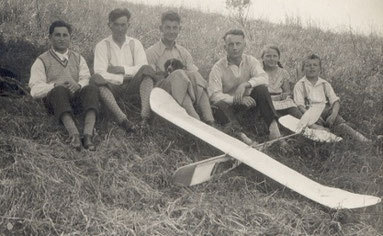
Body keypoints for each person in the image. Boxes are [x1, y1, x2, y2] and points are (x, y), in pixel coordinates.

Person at [29, 20, 99, 151]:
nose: (61, 39)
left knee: (92, 89)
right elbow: (34, 90)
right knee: (59, 90)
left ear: (70, 38)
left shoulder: (78, 58)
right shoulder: (41, 60)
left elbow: (86, 78)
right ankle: (74, 135)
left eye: (65, 35)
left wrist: (78, 85)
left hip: (76, 101)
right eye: (57, 35)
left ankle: (88, 135)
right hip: (56, 102)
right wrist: (54, 85)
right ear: (50, 37)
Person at [207, 29, 284, 144]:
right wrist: (237, 99)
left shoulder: (251, 61)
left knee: (261, 88)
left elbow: (264, 77)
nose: (235, 48)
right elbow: (214, 95)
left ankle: (274, 131)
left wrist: (245, 84)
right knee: (218, 104)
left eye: (238, 44)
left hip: (249, 108)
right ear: (225, 47)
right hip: (229, 110)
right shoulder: (218, 68)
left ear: (244, 45)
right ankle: (243, 137)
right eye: (231, 44)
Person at [145, 10, 215, 126]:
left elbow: (193, 76)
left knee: (195, 75)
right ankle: (195, 119)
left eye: (174, 28)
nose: (171, 31)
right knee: (179, 74)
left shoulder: (184, 52)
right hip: (162, 90)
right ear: (161, 28)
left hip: (184, 87)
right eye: (167, 27)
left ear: (179, 29)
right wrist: (172, 74)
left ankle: (210, 120)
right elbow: (150, 78)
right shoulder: (151, 52)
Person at [93, 8, 157, 131]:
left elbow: (142, 66)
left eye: (123, 25)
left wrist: (122, 69)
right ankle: (123, 120)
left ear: (129, 25)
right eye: (116, 25)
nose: (120, 29)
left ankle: (145, 118)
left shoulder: (135, 44)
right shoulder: (102, 46)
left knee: (147, 70)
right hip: (112, 88)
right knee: (96, 79)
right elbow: (100, 72)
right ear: (109, 25)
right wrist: (122, 78)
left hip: (133, 87)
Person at [293, 54, 371, 142]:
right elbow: (300, 106)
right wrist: (312, 116)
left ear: (320, 69)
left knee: (342, 126)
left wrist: (333, 114)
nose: (312, 68)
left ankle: (366, 141)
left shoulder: (324, 84)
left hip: (326, 111)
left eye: (315, 65)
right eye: (308, 65)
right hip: (310, 112)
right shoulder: (300, 85)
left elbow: (335, 101)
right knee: (322, 131)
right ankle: (334, 134)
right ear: (303, 69)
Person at [261, 44, 301, 118]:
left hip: (281, 100)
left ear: (278, 58)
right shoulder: (259, 72)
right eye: (268, 56)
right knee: (277, 117)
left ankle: (309, 126)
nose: (271, 59)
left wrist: (285, 94)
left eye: (274, 56)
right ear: (262, 58)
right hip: (267, 101)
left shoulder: (283, 72)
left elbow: (287, 90)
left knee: (295, 111)